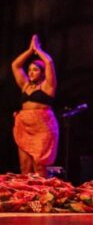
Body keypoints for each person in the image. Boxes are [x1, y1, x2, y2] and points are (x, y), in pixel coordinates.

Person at [11, 35, 59, 176]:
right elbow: (15, 65)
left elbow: (49, 62)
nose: (31, 72)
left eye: (35, 69)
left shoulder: (48, 86)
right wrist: (29, 50)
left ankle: (40, 194)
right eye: (30, 69)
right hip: (24, 126)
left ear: (43, 72)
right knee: (24, 166)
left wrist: (38, 50)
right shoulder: (25, 85)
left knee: (39, 166)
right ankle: (27, 196)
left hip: (42, 128)